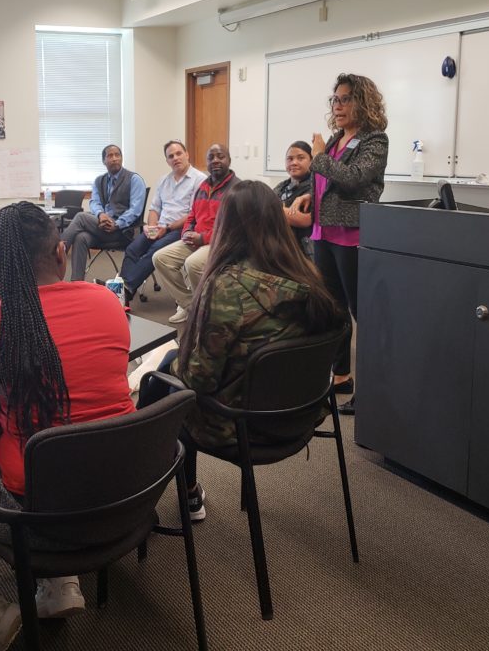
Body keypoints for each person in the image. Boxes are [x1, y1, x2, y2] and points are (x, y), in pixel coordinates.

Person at [0, 202, 134, 650]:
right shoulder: (107, 302)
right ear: (60, 252)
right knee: (69, 437)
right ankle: (59, 582)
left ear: (0, 267)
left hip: (36, 515)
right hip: (126, 493)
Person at [139, 180, 342, 520]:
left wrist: (165, 368)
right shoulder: (309, 277)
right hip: (299, 413)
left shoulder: (227, 285)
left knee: (160, 381)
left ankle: (155, 494)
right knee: (170, 369)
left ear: (227, 226)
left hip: (240, 424)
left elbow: (198, 381)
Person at [309, 73, 389, 415]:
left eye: (344, 99)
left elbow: (354, 179)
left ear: (362, 102)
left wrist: (318, 158)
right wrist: (306, 202)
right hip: (324, 233)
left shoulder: (375, 140)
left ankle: (373, 389)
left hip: (352, 236)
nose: (337, 106)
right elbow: (325, 183)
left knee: (362, 314)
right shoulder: (335, 139)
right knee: (334, 310)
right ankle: (341, 376)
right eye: (335, 100)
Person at [152, 143, 238, 324]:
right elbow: (192, 214)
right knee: (160, 258)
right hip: (196, 239)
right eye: (211, 157)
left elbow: (232, 227)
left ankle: (209, 309)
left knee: (192, 264)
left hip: (221, 242)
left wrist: (203, 238)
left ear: (229, 160)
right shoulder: (204, 186)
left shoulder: (236, 189)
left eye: (220, 156)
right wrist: (187, 232)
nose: (215, 160)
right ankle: (192, 306)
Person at [118, 141, 207, 302]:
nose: (175, 158)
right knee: (132, 249)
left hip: (182, 229)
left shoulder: (200, 180)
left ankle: (125, 290)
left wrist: (166, 228)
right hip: (161, 227)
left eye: (179, 153)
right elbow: (154, 208)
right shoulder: (163, 180)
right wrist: (151, 227)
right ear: (167, 161)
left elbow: (193, 214)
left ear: (187, 154)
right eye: (171, 156)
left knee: (155, 250)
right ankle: (123, 290)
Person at [61, 144, 146, 282]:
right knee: (80, 237)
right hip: (101, 228)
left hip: (123, 231)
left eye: (117, 155)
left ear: (122, 158)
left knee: (81, 217)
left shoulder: (134, 179)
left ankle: (58, 252)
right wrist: (101, 215)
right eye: (110, 156)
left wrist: (117, 224)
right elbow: (94, 202)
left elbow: (135, 211)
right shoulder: (99, 181)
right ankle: (77, 283)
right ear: (103, 161)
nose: (114, 159)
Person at [274, 141, 315, 257]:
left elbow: (302, 220)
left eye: (300, 158)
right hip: (280, 248)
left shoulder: (315, 187)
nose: (294, 163)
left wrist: (272, 208)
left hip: (304, 252)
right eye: (290, 159)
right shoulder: (282, 186)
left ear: (311, 161)